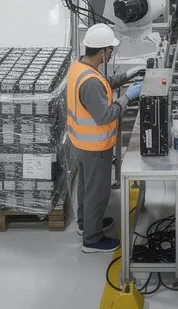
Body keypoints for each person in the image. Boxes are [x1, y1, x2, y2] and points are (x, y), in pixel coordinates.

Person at [67, 23, 142, 253]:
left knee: (86, 187)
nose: (111, 54)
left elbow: (102, 85)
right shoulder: (90, 81)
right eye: (110, 50)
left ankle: (86, 224)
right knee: (97, 192)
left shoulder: (80, 67)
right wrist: (128, 98)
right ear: (102, 52)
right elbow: (105, 115)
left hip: (80, 143)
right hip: (95, 146)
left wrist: (127, 76)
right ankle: (92, 239)